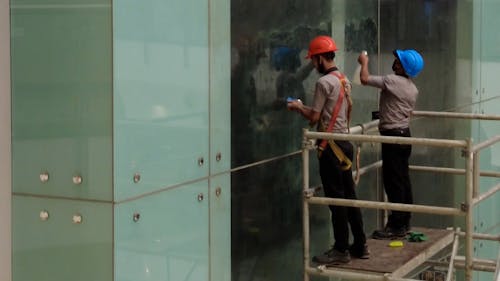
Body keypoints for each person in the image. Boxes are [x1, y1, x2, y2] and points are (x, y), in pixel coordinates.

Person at [287, 35, 369, 265]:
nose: (313, 64)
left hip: (330, 146)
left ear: (321, 58)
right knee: (349, 196)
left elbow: (314, 118)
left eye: (314, 59)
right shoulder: (342, 79)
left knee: (336, 200)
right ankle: (360, 244)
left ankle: (341, 248)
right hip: (344, 143)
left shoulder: (324, 83)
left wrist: (297, 107)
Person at [357, 49, 424, 239]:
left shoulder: (392, 81)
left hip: (392, 137)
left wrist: (364, 62)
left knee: (393, 181)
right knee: (402, 178)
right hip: (404, 135)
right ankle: (404, 220)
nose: (395, 61)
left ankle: (396, 226)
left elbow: (364, 79)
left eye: (399, 61)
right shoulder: (413, 88)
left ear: (404, 67)